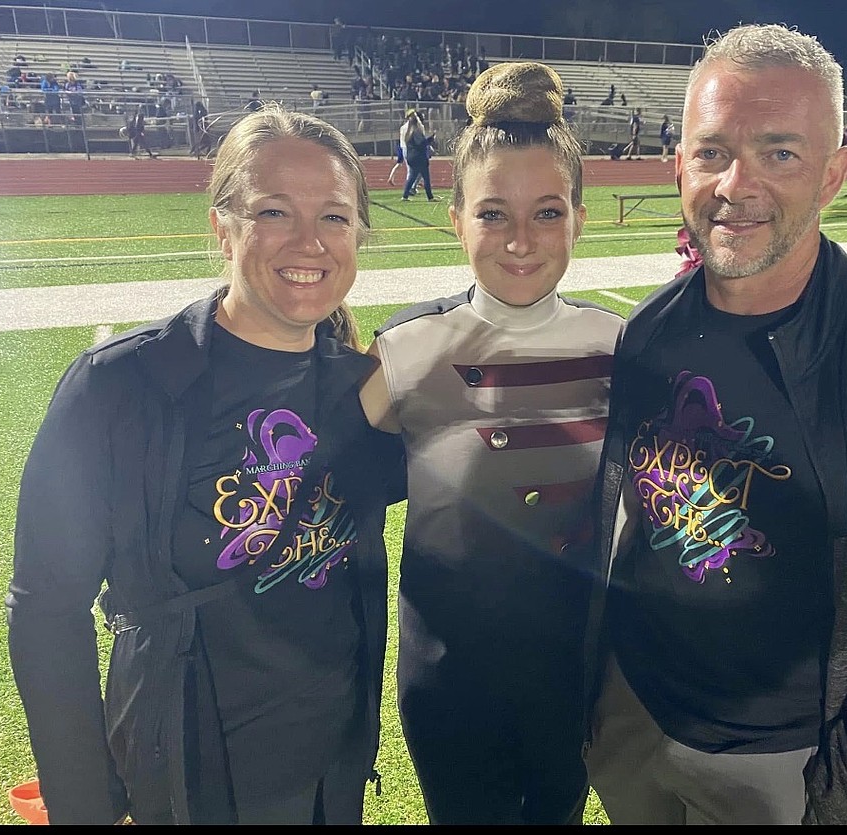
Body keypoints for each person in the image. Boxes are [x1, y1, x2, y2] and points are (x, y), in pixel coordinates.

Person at [582, 23, 847, 826]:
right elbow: (635, 524)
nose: (735, 183)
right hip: (633, 716)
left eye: (779, 153)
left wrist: (842, 800)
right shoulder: (647, 330)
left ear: (835, 173)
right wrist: (604, 698)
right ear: (679, 165)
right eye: (711, 151)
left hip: (783, 766)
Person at [7, 106, 405, 825]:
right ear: (222, 227)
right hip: (181, 782)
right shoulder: (118, 386)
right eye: (274, 211)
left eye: (336, 218)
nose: (310, 241)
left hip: (328, 775)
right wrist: (87, 807)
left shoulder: (364, 391)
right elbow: (46, 609)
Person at [359, 60, 623, 824]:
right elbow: (328, 487)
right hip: (449, 683)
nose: (520, 241)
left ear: (579, 214)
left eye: (546, 212)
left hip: (573, 675)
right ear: (455, 218)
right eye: (492, 214)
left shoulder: (619, 347)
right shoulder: (407, 349)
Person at [400, 109, 437, 201]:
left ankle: (405, 195)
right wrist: (430, 139)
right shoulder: (416, 131)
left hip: (411, 156)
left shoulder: (407, 131)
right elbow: (421, 143)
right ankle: (430, 197)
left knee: (412, 177)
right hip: (419, 157)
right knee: (426, 177)